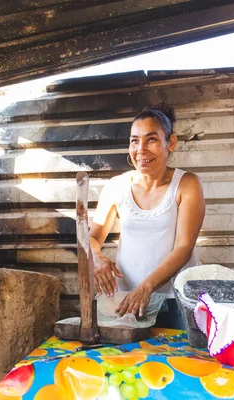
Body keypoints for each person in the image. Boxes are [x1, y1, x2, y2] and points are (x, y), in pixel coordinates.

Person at [89, 104, 205, 329]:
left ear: (170, 143)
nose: (141, 149)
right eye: (134, 140)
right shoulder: (116, 186)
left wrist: (145, 288)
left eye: (151, 139)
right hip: (127, 300)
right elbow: (92, 238)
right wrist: (96, 257)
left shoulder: (187, 184)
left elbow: (184, 248)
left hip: (176, 301)